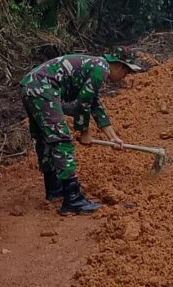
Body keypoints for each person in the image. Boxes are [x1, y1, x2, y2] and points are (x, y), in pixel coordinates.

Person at [20, 49, 145, 215]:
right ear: (119, 66)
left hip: (30, 85)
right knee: (62, 140)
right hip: (43, 88)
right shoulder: (101, 69)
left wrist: (113, 137)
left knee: (44, 139)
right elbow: (83, 103)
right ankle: (73, 199)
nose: (125, 77)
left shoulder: (95, 65)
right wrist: (83, 132)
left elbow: (94, 104)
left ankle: (54, 189)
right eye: (126, 72)